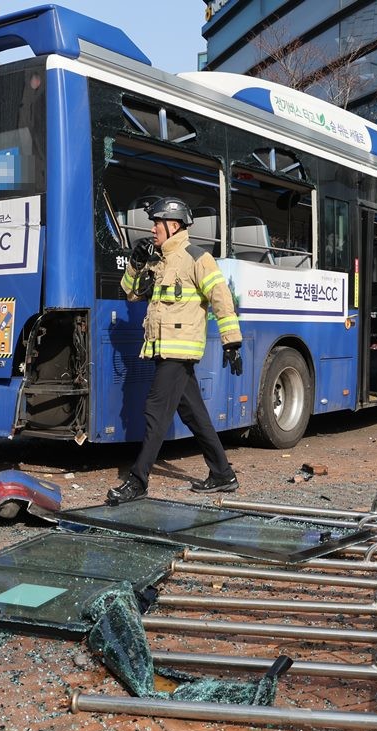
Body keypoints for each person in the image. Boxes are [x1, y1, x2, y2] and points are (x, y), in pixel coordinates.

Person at [107, 197, 243, 504]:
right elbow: (130, 293)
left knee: (155, 411)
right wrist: (135, 263)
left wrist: (231, 341)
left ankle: (138, 481)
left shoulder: (197, 258)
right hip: (162, 348)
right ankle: (223, 474)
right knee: (194, 414)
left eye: (157, 223)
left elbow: (221, 298)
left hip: (179, 351)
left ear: (174, 225)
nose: (152, 229)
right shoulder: (157, 260)